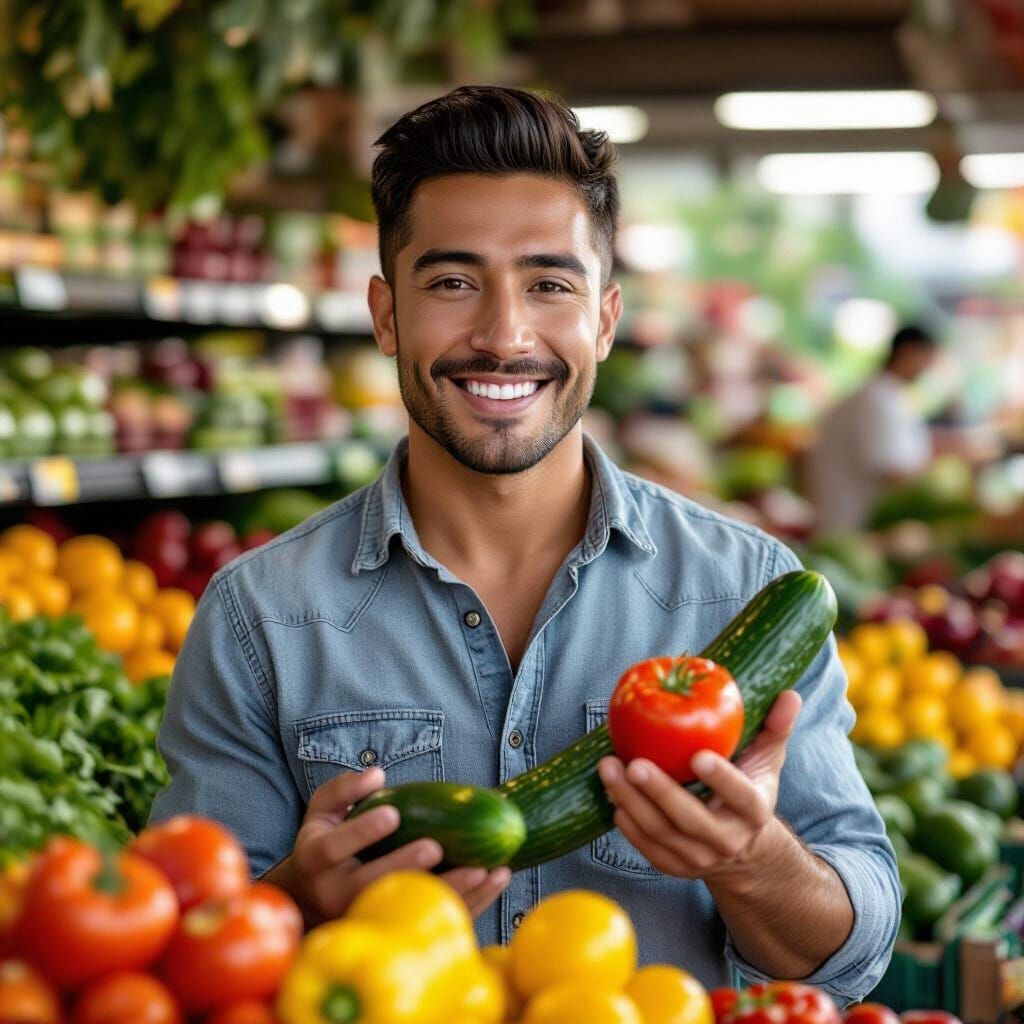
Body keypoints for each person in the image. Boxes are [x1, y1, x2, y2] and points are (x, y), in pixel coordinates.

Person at [151, 85, 899, 1003]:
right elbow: (187, 958)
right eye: (453, 282)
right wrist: (305, 897)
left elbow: (854, 956)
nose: (504, 336)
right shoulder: (257, 616)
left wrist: (752, 859)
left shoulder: (745, 589)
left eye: (549, 284)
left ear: (607, 320)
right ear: (386, 316)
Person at [808, 326, 938, 533]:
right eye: (927, 358)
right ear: (909, 352)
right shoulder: (875, 401)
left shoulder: (884, 397)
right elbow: (892, 470)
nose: (929, 367)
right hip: (851, 525)